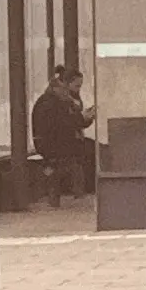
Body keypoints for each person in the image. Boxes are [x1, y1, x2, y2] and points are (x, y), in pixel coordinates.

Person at [27, 64, 97, 197]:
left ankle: (79, 191)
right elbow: (66, 124)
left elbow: (71, 123)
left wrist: (85, 118)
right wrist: (83, 117)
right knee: (89, 150)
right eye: (72, 87)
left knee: (89, 148)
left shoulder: (56, 100)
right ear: (61, 86)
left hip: (56, 140)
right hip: (51, 143)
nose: (72, 92)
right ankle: (80, 191)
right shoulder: (50, 102)